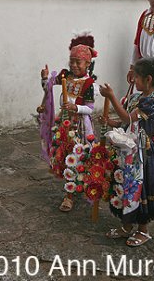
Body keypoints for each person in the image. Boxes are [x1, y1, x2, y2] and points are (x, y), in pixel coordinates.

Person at [99, 57, 154, 247]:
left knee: (139, 189)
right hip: (127, 150)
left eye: (137, 77)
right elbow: (126, 122)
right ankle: (126, 226)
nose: (133, 80)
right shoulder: (137, 97)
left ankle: (143, 231)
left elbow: (129, 117)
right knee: (124, 186)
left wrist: (111, 96)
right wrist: (110, 123)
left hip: (141, 154)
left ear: (149, 79)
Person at [39, 33, 98, 212]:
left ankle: (71, 193)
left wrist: (76, 108)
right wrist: (45, 78)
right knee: (65, 155)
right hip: (63, 123)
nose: (73, 65)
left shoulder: (89, 84)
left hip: (79, 126)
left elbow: (90, 109)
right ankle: (70, 187)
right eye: (71, 61)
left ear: (87, 64)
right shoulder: (65, 75)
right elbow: (47, 88)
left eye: (77, 62)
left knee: (78, 156)